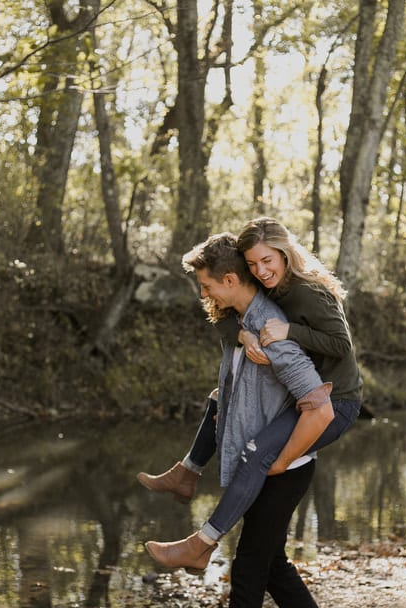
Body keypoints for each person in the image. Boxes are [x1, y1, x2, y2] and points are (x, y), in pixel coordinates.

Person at [151, 232, 354, 608]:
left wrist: (278, 459)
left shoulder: (270, 326)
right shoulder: (244, 321)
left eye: (207, 286)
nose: (205, 295)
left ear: (228, 279)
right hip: (278, 462)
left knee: (249, 568)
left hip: (287, 463)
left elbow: (317, 405)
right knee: (271, 564)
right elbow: (239, 374)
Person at [139, 218, 362, 571]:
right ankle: (188, 472)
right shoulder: (268, 286)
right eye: (253, 264)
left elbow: (341, 344)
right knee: (220, 398)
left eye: (267, 261)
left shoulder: (308, 293)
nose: (260, 271)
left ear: (285, 253)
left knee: (257, 456)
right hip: (304, 390)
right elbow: (231, 312)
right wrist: (243, 335)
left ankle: (203, 543)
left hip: (337, 399)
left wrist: (290, 331)